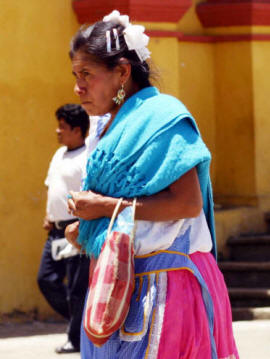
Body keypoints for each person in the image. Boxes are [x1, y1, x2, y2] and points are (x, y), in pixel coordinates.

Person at [65, 10, 239, 359]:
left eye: (87, 74)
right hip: (118, 286)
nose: (77, 87)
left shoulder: (162, 118)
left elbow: (187, 204)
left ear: (123, 72)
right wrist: (85, 227)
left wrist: (103, 208)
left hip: (169, 288)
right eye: (75, 75)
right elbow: (126, 210)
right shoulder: (103, 129)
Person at [37, 104, 90, 354]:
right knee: (46, 279)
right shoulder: (59, 154)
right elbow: (53, 187)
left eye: (63, 127)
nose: (57, 131)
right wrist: (49, 214)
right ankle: (79, 322)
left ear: (78, 130)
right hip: (55, 231)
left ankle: (76, 338)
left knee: (76, 288)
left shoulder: (87, 156)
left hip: (75, 230)